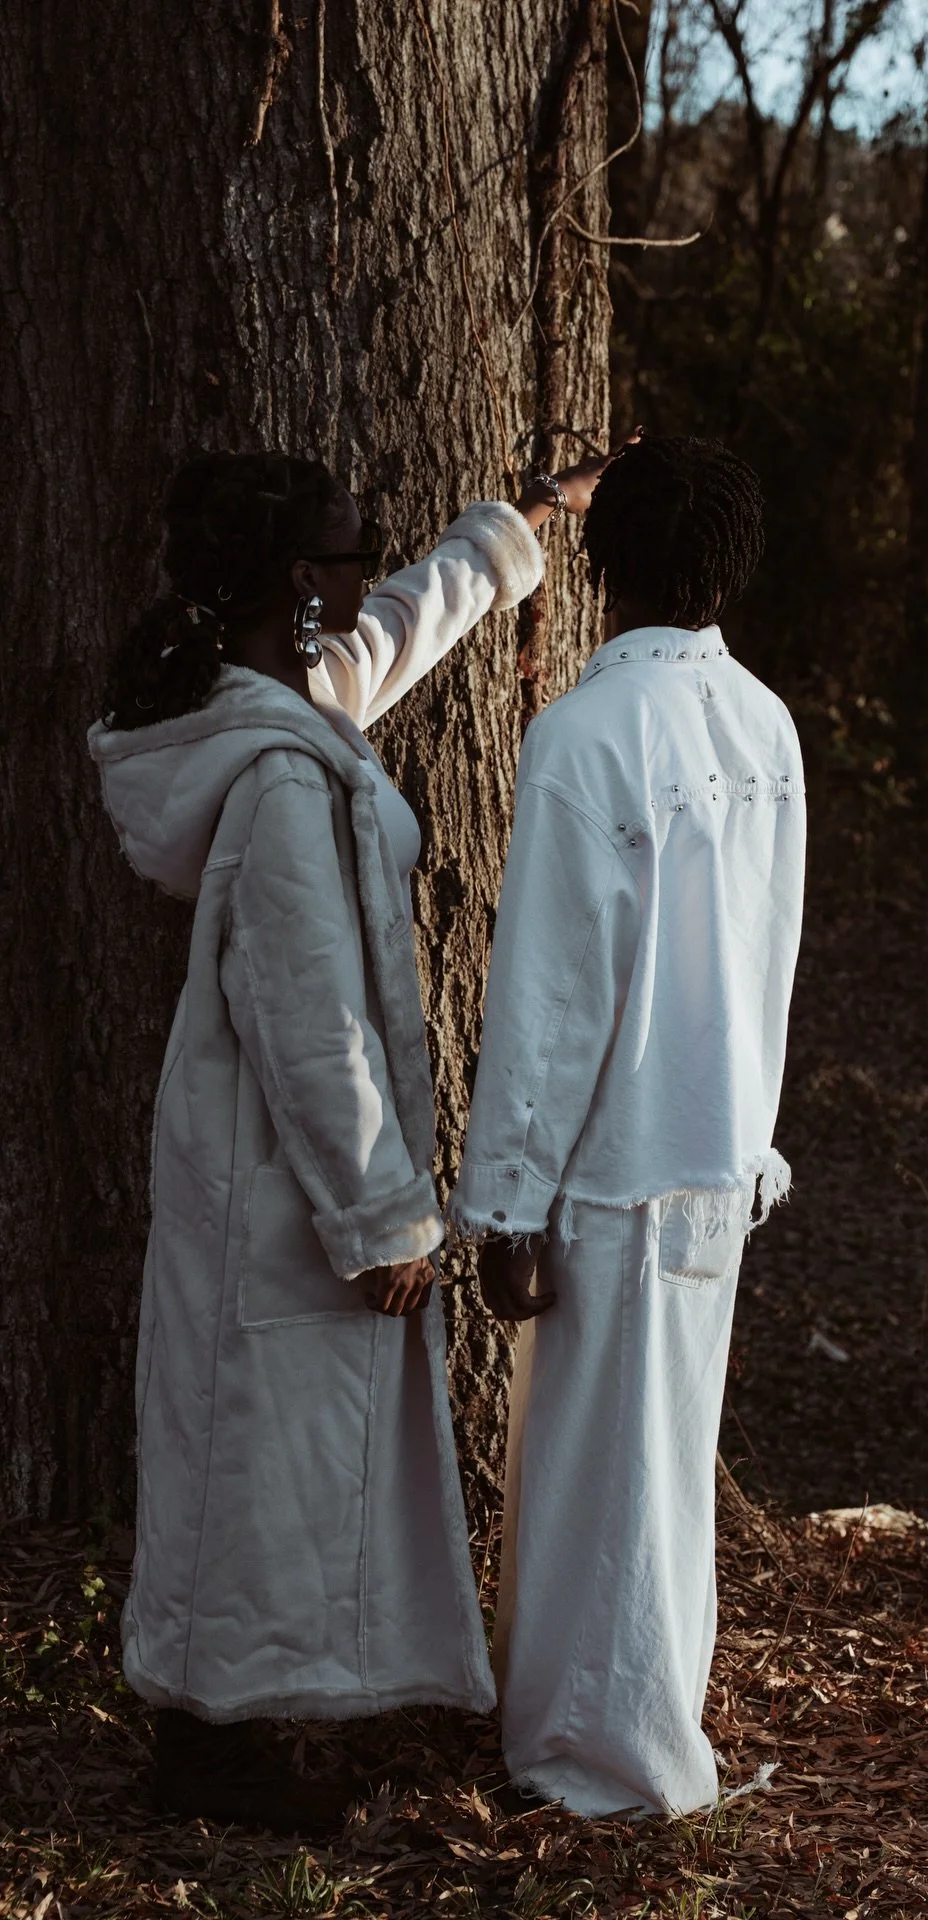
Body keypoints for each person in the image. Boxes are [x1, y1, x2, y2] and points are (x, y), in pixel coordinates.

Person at [89, 444, 610, 1833]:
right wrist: (382, 1219)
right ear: (292, 582)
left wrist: (512, 531)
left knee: (257, 1450)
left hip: (251, 1164)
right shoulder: (275, 775)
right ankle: (262, 1764)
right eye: (341, 551)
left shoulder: (270, 713)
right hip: (289, 1172)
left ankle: (221, 1745)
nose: (365, 569)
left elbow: (394, 638)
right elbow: (308, 1019)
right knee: (281, 1467)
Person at [450, 434, 806, 1818]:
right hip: (714, 1154)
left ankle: (603, 1760)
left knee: (608, 1479)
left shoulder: (586, 735)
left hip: (606, 1167)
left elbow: (550, 995)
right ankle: (623, 1733)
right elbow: (770, 954)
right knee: (653, 1470)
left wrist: (505, 1203)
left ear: (598, 563)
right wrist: (755, 1141)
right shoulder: (763, 724)